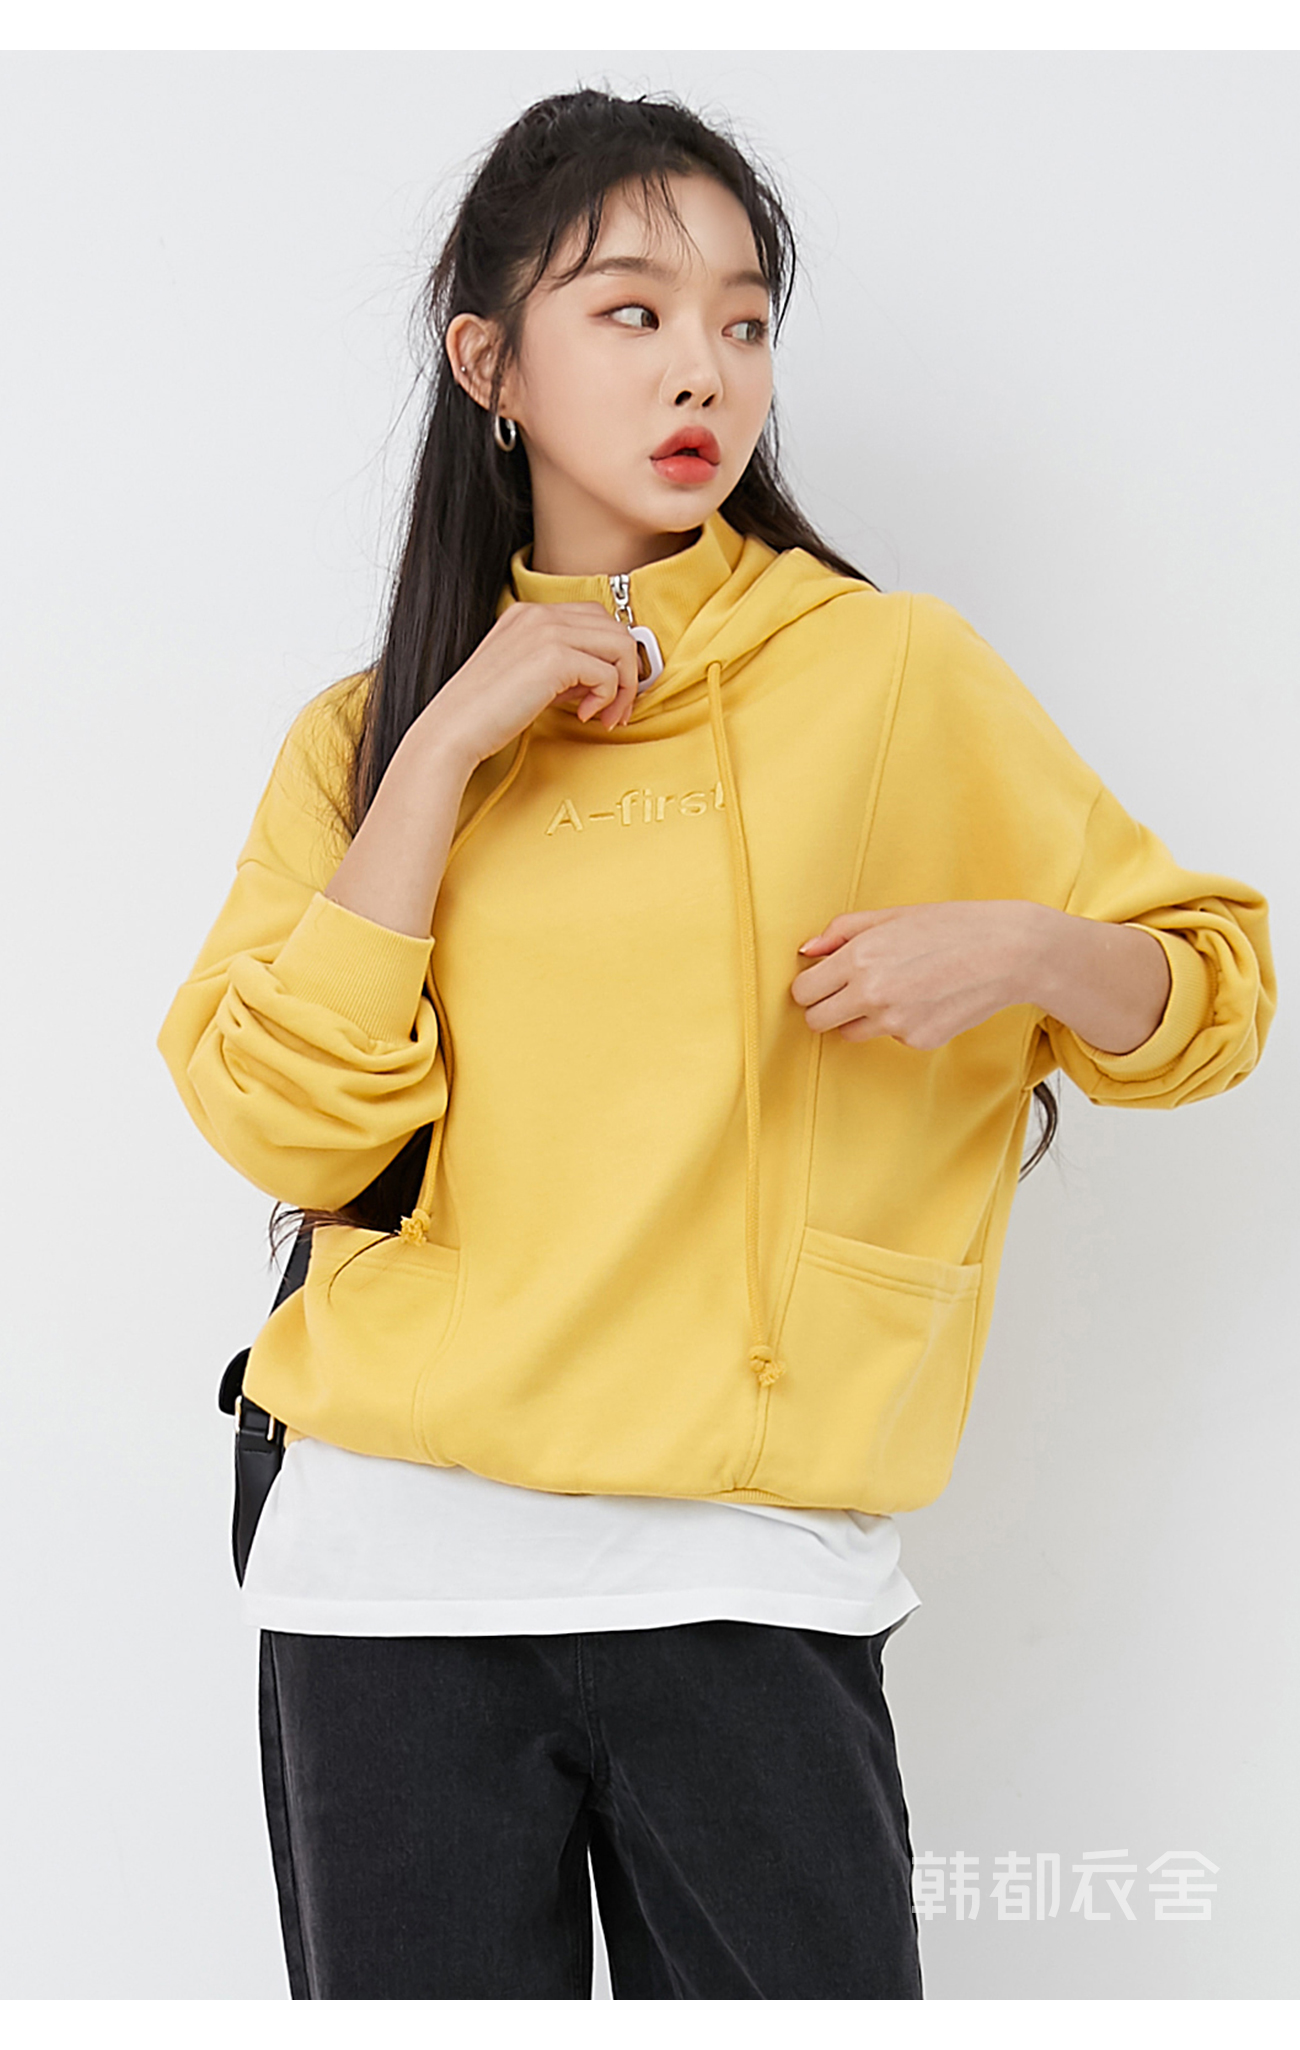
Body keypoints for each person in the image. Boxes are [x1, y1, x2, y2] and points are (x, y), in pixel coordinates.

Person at [156, 87, 1275, 2001]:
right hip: (387, 1576)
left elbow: (1212, 993)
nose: (706, 368)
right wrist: (445, 750)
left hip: (745, 1573)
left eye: (744, 320)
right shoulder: (369, 734)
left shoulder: (891, 672)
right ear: (488, 364)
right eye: (634, 311)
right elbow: (288, 1128)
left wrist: (1022, 948)